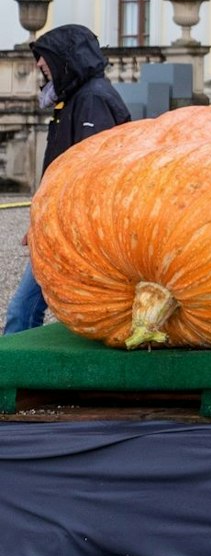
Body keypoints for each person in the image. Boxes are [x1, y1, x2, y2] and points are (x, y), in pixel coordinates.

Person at [7, 24, 131, 333]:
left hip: (72, 226)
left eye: (45, 57)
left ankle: (15, 375)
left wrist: (49, 222)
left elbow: (91, 172)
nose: (39, 64)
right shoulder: (78, 98)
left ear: (67, 59)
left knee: (23, 309)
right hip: (63, 223)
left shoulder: (92, 100)